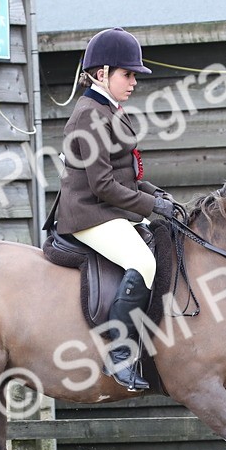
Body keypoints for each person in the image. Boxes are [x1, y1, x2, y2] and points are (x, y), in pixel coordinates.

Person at [56, 27, 174, 393]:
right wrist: (151, 206)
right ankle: (119, 356)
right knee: (144, 263)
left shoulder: (109, 110)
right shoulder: (89, 115)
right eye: (128, 74)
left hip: (107, 207)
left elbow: (126, 175)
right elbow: (102, 185)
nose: (134, 81)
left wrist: (160, 196)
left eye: (135, 75)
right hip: (89, 213)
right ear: (102, 73)